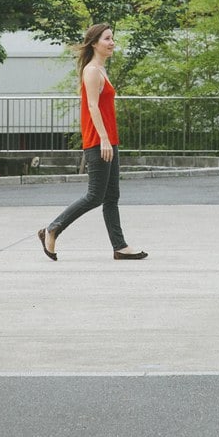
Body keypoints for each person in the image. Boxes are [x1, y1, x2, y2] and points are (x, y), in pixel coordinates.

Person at [37, 24, 148, 261]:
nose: (112, 42)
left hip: (109, 140)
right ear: (95, 43)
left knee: (111, 197)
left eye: (112, 38)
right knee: (95, 196)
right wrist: (104, 139)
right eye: (107, 38)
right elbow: (92, 106)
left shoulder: (101, 69)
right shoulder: (92, 71)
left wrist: (110, 140)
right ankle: (52, 229)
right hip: (98, 141)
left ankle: (119, 246)